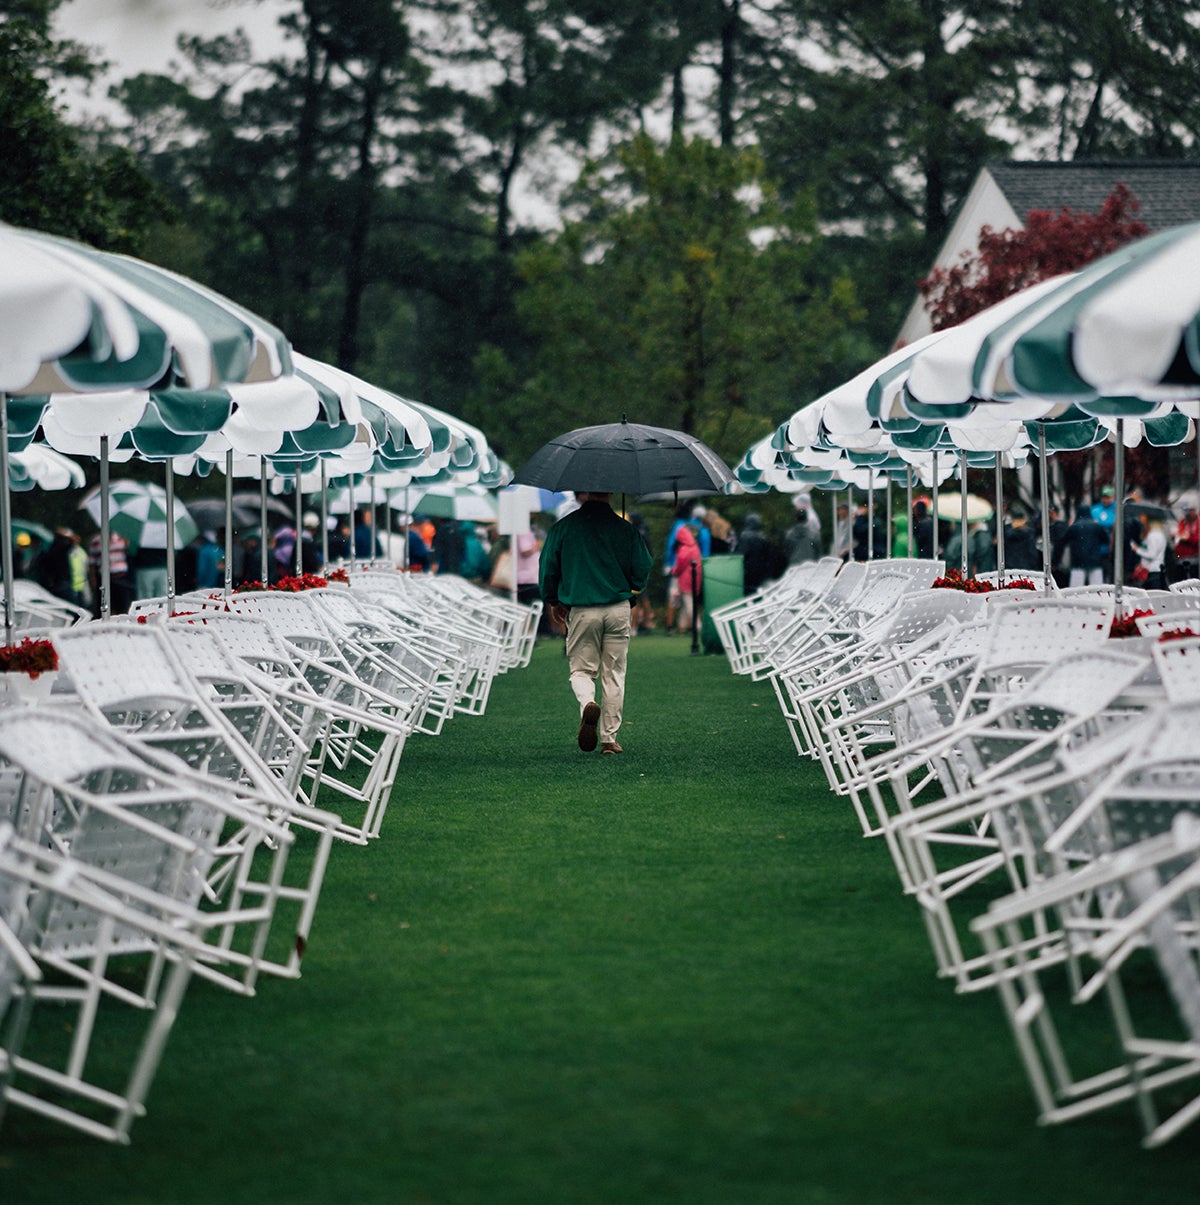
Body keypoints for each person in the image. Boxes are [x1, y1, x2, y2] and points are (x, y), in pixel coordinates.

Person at [539, 491, 653, 756]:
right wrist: (633, 585)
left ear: (581, 494)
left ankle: (588, 703)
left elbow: (548, 567)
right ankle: (609, 739)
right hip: (618, 608)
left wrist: (553, 599)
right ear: (610, 493)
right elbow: (642, 566)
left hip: (581, 609)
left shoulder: (563, 528)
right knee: (614, 673)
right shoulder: (625, 528)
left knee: (581, 670)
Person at [671, 522, 702, 635]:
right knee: (686, 602)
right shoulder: (695, 546)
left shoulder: (684, 548)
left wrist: (674, 571)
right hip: (695, 577)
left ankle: (698, 626)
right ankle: (682, 626)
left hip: (685, 578)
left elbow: (680, 565)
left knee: (688, 603)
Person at [738, 514, 781, 594]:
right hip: (761, 574)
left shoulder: (744, 537)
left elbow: (740, 555)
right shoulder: (762, 539)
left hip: (747, 572)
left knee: (748, 594)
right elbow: (769, 558)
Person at [1065, 506, 1105, 587]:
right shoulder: (1096, 526)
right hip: (1095, 560)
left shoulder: (1074, 527)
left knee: (1075, 590)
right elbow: (1105, 539)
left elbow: (1063, 541)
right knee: (1097, 589)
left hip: (1078, 561)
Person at [1131, 513, 1168, 590]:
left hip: (1152, 570)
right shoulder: (1160, 534)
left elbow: (1151, 555)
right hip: (1159, 568)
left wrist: (1137, 550)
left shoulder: (1152, 536)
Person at [1174, 503, 1199, 581]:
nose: (1187, 515)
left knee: (1193, 582)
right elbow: (1179, 534)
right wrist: (1176, 536)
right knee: (1180, 581)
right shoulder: (1183, 522)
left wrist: (1188, 538)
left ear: (1194, 511)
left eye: (1189, 512)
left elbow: (1197, 539)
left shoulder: (1198, 522)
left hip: (1193, 558)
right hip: (1180, 557)